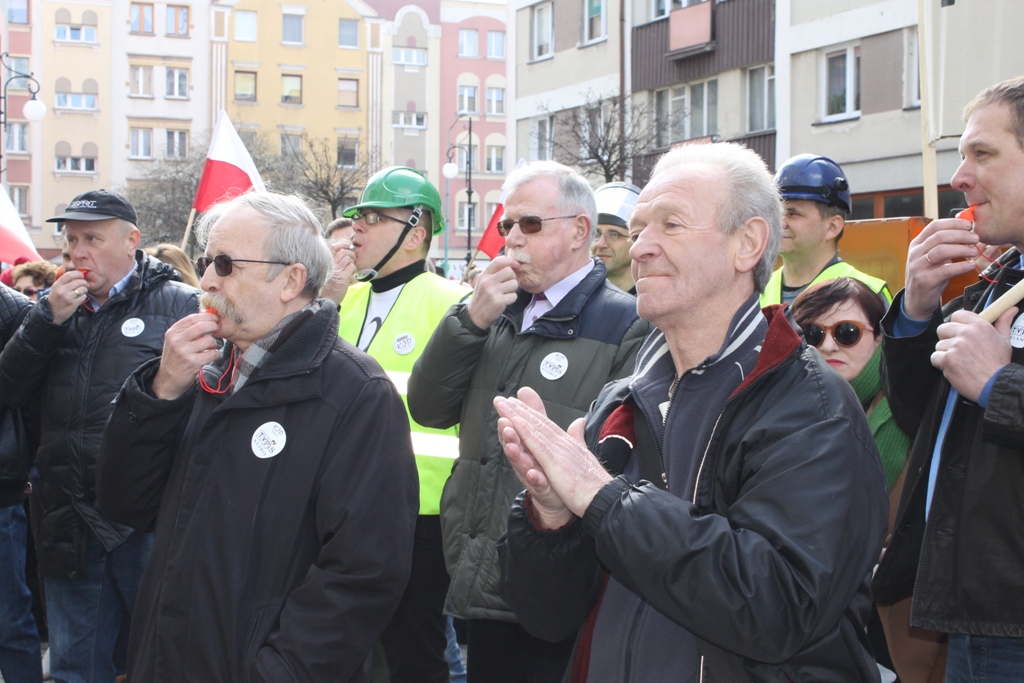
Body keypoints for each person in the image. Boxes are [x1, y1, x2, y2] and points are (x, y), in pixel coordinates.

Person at [496, 142, 888, 682]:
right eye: (638, 230)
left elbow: (778, 609)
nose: (640, 248)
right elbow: (548, 618)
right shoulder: (621, 401)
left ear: (747, 244)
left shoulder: (812, 407)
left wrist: (603, 498)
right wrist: (552, 518)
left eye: (671, 225)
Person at [92, 191, 419, 682]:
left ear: (290, 280)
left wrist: (276, 672)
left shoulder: (356, 392)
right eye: (206, 262)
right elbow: (125, 503)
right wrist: (159, 393)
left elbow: (363, 573)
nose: (206, 280)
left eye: (225, 265)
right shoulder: (201, 371)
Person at [408, 160, 651, 683]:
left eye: (530, 224)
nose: (512, 238)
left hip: (565, 581)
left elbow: (619, 461)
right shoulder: (489, 310)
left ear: (580, 231)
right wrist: (469, 320)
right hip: (482, 567)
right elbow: (427, 408)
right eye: (506, 225)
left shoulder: (628, 322)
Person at [0, 189, 200, 683]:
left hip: (145, 520)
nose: (77, 252)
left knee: (162, 659)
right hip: (69, 516)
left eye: (92, 238)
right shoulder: (50, 310)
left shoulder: (179, 304)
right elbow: (9, 390)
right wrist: (46, 322)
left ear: (132, 240)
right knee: (74, 666)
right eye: (71, 240)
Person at [872, 75, 1024, 682]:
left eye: (982, 153)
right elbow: (922, 418)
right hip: (974, 607)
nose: (960, 176)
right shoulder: (1001, 276)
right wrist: (916, 308)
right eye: (961, 155)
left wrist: (997, 386)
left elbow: (987, 392)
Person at [333, 167, 469, 683]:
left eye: (373, 218)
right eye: (357, 217)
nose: (356, 228)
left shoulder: (452, 301)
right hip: (346, 506)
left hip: (422, 515)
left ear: (415, 233)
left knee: (416, 655)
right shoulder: (344, 298)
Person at [791, 277, 908, 491]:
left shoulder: (906, 405)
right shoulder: (782, 405)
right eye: (812, 334)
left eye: (846, 332)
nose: (828, 346)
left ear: (878, 339)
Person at [761, 154, 892, 306]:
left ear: (832, 227)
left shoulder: (869, 295)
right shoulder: (756, 291)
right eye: (778, 213)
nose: (780, 223)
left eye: (792, 214)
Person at [0, 285, 42, 683]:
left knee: (9, 618)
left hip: (1, 490)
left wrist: (22, 466)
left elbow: (30, 402)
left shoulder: (13, 310)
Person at [591, 182, 640, 294]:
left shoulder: (654, 298)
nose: (600, 244)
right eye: (596, 234)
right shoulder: (579, 295)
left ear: (636, 240)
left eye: (614, 234)